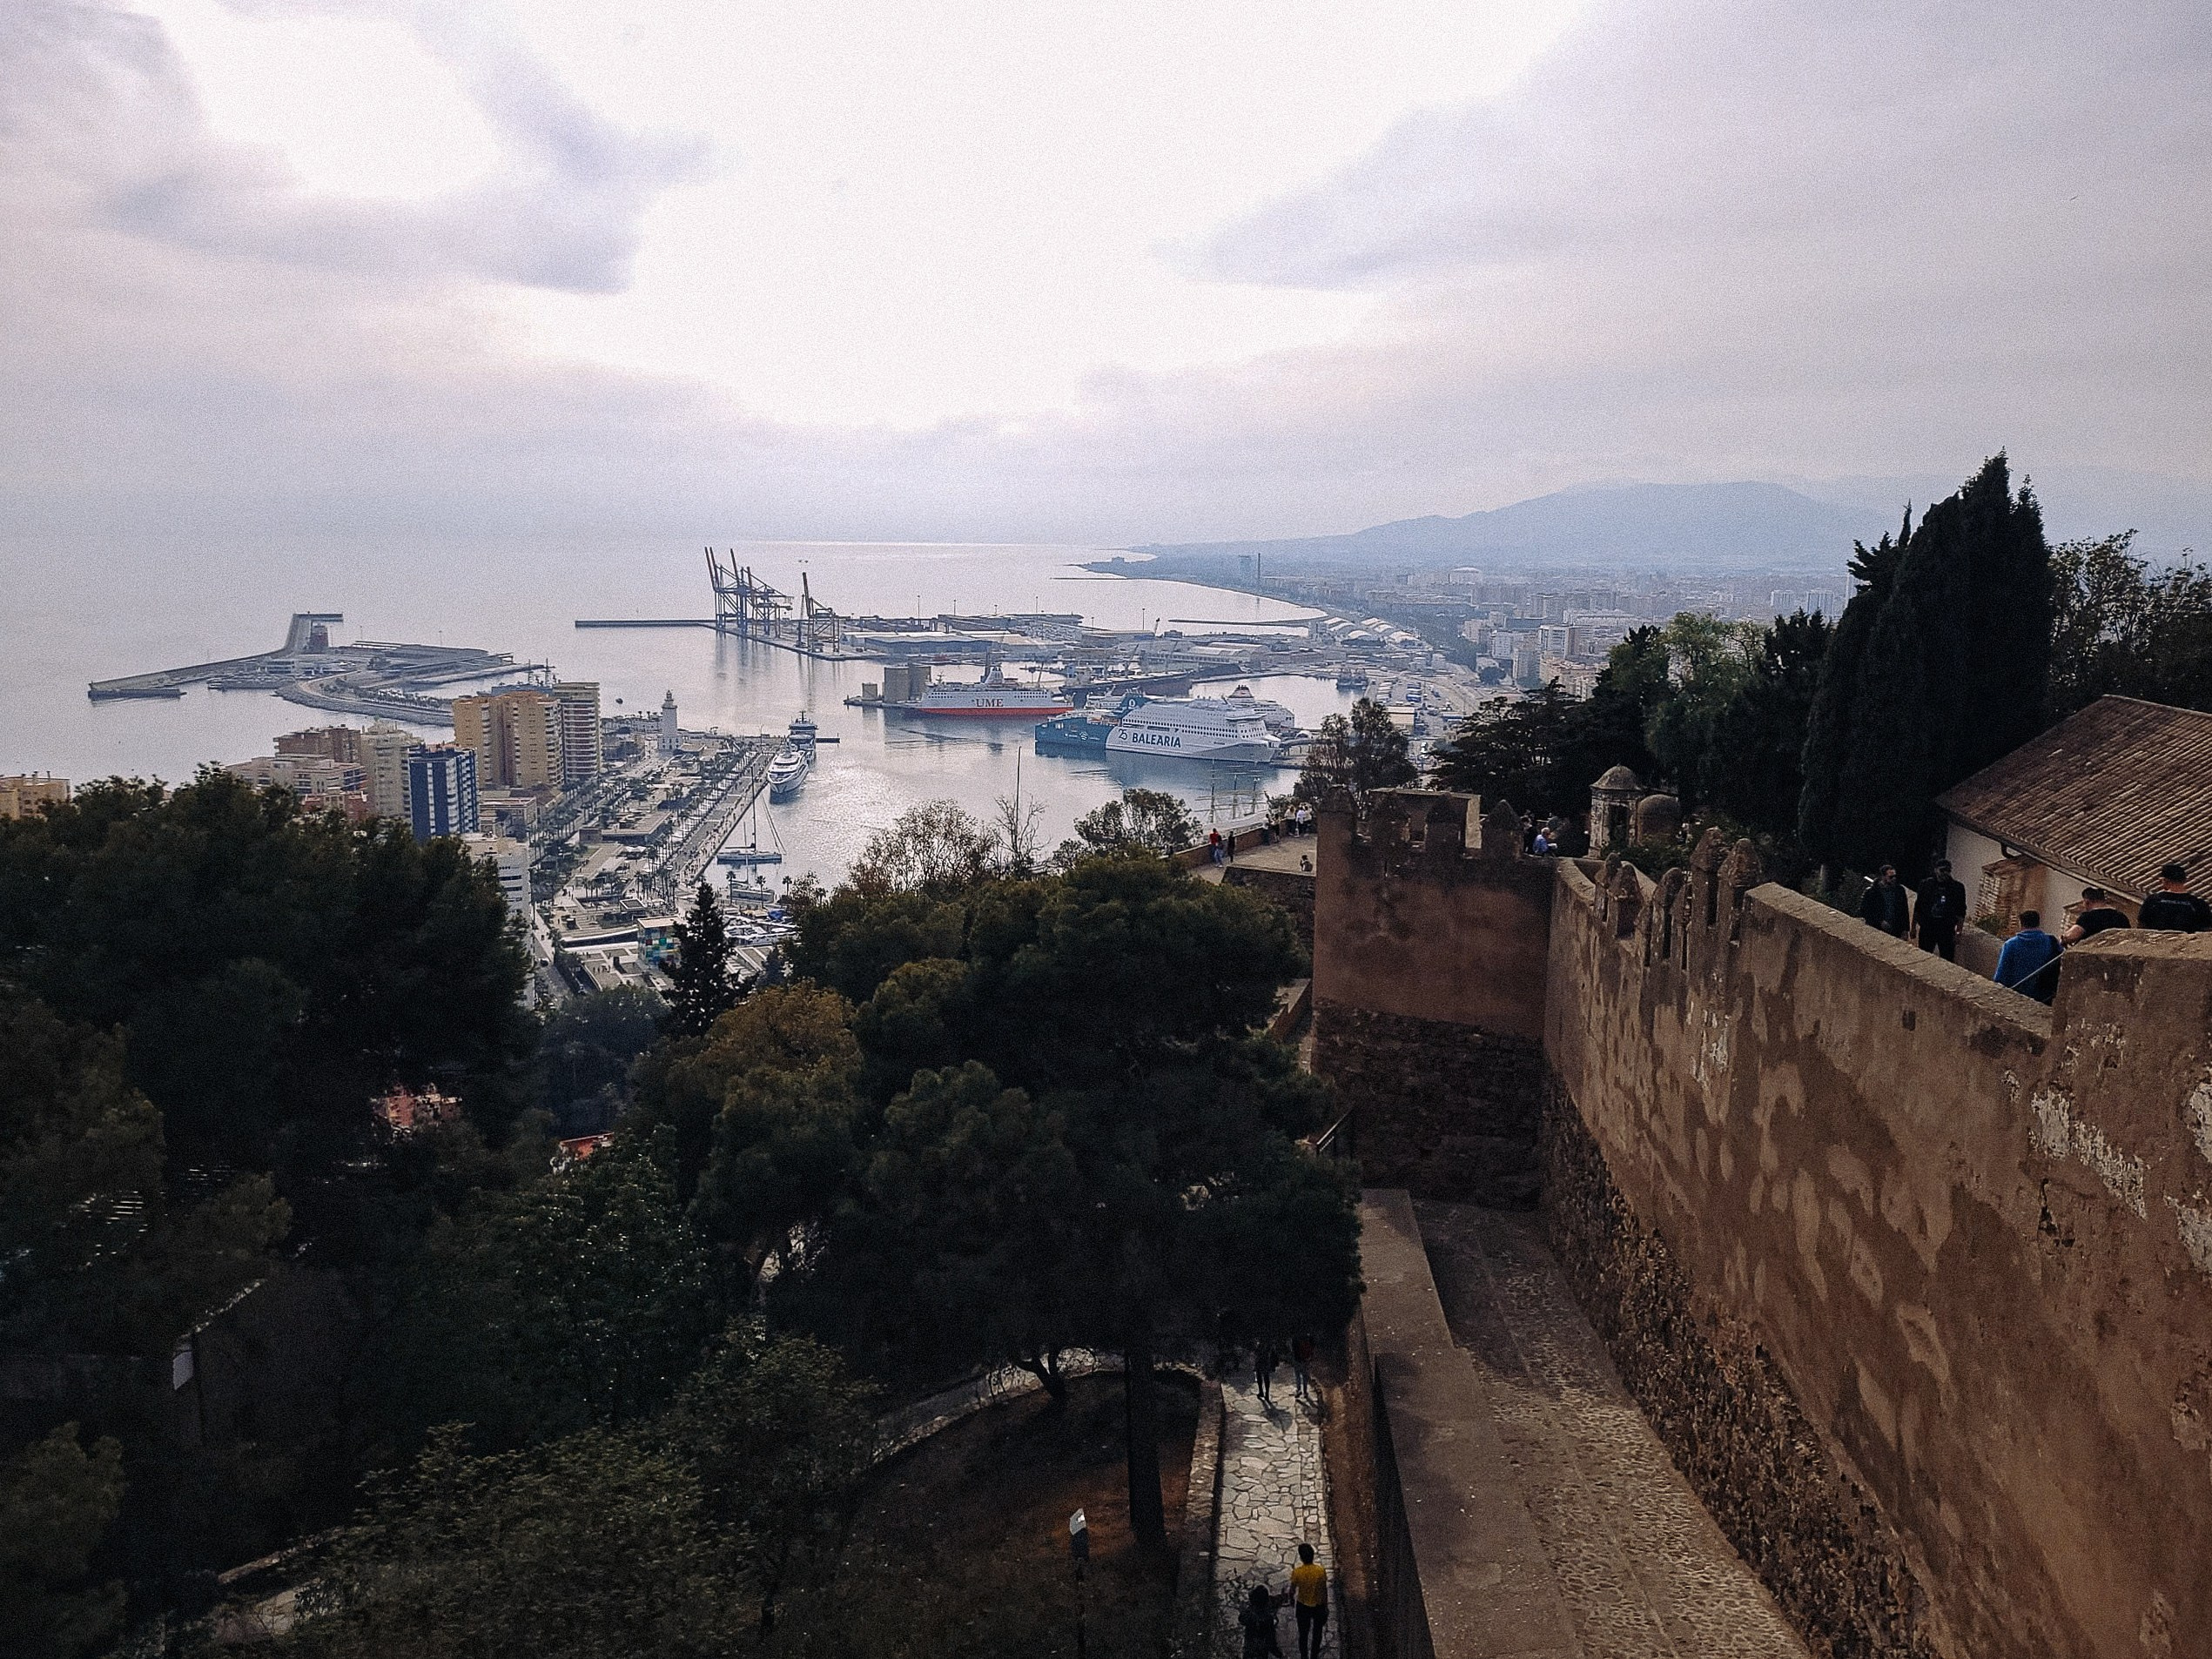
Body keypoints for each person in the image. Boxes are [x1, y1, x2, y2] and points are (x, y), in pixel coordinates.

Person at [1994, 910, 2063, 1004]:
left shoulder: (2011, 945)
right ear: (2038, 923)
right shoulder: (2051, 942)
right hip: (2044, 998)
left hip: (2015, 997)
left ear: (2021, 924)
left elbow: (2001, 976)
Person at [1912, 859, 1967, 961]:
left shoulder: (1957, 888)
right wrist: (1913, 927)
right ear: (1936, 870)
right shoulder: (1926, 885)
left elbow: (1961, 912)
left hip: (1946, 929)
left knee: (1947, 958)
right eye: (1942, 870)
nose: (1945, 873)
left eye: (1948, 870)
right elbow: (1918, 907)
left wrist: (1958, 933)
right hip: (1927, 928)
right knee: (1923, 957)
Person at [2139, 863, 2212, 932]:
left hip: (2157, 943)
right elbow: (2207, 929)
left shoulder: (2153, 901)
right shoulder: (2198, 904)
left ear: (2165, 881)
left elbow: (2142, 927)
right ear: (2184, 881)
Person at [1289, 1544, 1328, 1659]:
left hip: (1303, 1606)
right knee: (1317, 1634)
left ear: (1301, 1558)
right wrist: (1326, 1607)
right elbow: (1324, 1590)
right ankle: (1314, 1655)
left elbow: (1292, 1589)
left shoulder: (1298, 1572)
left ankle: (1304, 1656)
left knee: (1303, 1635)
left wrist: (1291, 1599)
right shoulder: (1320, 1571)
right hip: (1318, 1606)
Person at [2061, 886, 2132, 946]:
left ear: (2087, 902)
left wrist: (2063, 938)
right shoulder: (2122, 917)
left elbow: (2072, 935)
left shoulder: (2088, 917)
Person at [1859, 864, 1909, 936]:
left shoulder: (1899, 891)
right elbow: (1864, 910)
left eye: (1895, 876)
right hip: (1876, 929)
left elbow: (1904, 910)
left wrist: (1905, 930)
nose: (1894, 879)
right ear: (1883, 877)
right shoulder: (1871, 892)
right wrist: (1880, 921)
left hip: (1895, 930)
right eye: (1891, 877)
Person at [1239, 1585, 1283, 1659]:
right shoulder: (1268, 1618)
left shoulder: (1249, 1614)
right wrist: (1279, 1654)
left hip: (1249, 1650)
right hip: (1261, 1652)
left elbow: (1241, 1619)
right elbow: (1271, 1642)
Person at [1291, 1333, 1315, 1404]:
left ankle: (1299, 1389)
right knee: (1305, 1375)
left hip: (1297, 1360)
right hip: (1306, 1360)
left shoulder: (1295, 1338)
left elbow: (1293, 1349)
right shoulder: (1307, 1337)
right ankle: (1305, 1391)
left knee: (1297, 1375)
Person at [1255, 1341, 1280, 1409]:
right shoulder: (1269, 1342)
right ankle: (1266, 1393)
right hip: (1266, 1362)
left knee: (1259, 1376)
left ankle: (1261, 1392)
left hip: (1260, 1361)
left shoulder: (1261, 1343)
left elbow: (1257, 1352)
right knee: (1266, 1377)